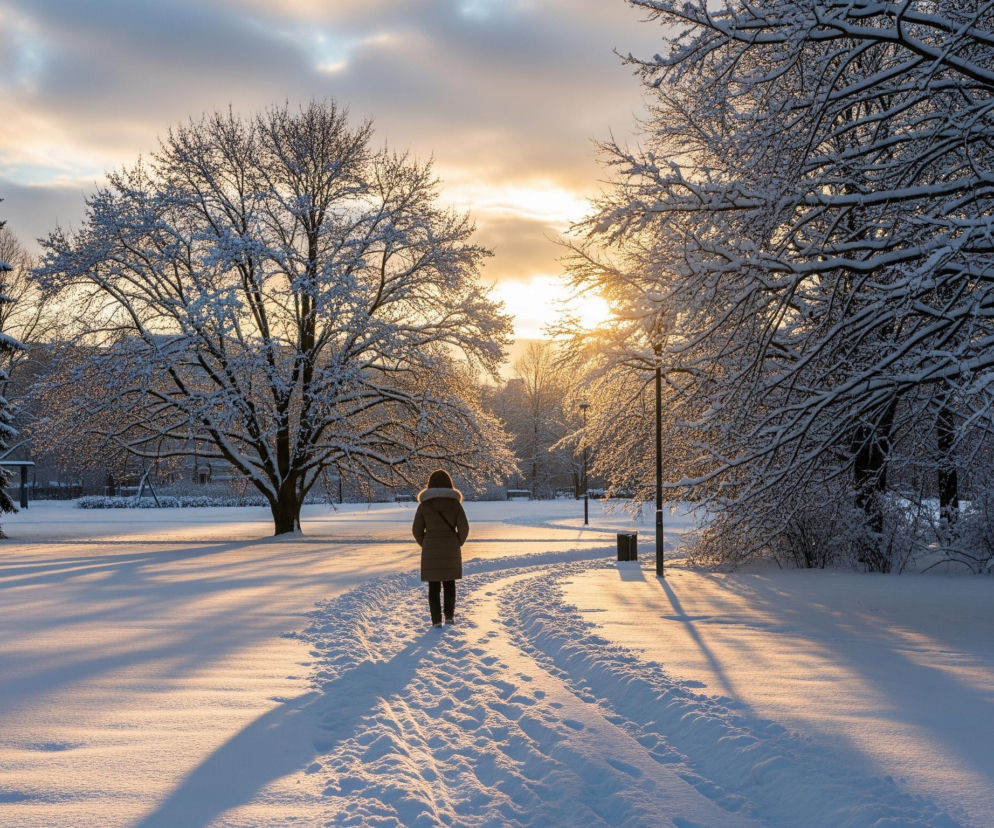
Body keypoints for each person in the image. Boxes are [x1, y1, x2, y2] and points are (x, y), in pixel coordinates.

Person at [412, 469, 469, 628]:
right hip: (451, 549)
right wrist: (457, 542)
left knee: (434, 587)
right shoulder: (455, 505)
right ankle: (449, 616)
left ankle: (436, 620)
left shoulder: (424, 505)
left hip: (431, 550)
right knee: (450, 584)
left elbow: (416, 530)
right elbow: (464, 528)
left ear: (430, 485)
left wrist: (426, 543)